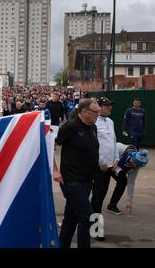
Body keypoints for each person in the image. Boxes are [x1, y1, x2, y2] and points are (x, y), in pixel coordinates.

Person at [54, 99, 100, 248]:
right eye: (95, 112)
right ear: (84, 112)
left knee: (71, 218)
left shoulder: (93, 128)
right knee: (87, 218)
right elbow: (47, 145)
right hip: (72, 181)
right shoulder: (70, 127)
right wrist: (55, 170)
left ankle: (62, 245)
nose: (98, 115)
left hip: (87, 181)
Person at [90, 97, 119, 241]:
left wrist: (116, 158)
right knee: (97, 196)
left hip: (109, 165)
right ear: (99, 107)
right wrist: (100, 161)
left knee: (101, 196)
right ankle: (95, 229)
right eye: (107, 106)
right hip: (98, 166)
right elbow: (94, 145)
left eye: (110, 106)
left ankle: (92, 221)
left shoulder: (110, 122)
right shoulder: (94, 122)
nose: (110, 108)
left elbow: (113, 141)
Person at [106, 143, 148, 215]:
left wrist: (129, 201)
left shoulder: (136, 167)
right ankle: (95, 205)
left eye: (136, 166)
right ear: (132, 158)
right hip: (107, 162)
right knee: (103, 184)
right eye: (132, 164)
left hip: (118, 168)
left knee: (123, 182)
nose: (133, 166)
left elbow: (131, 183)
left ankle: (112, 206)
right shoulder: (119, 148)